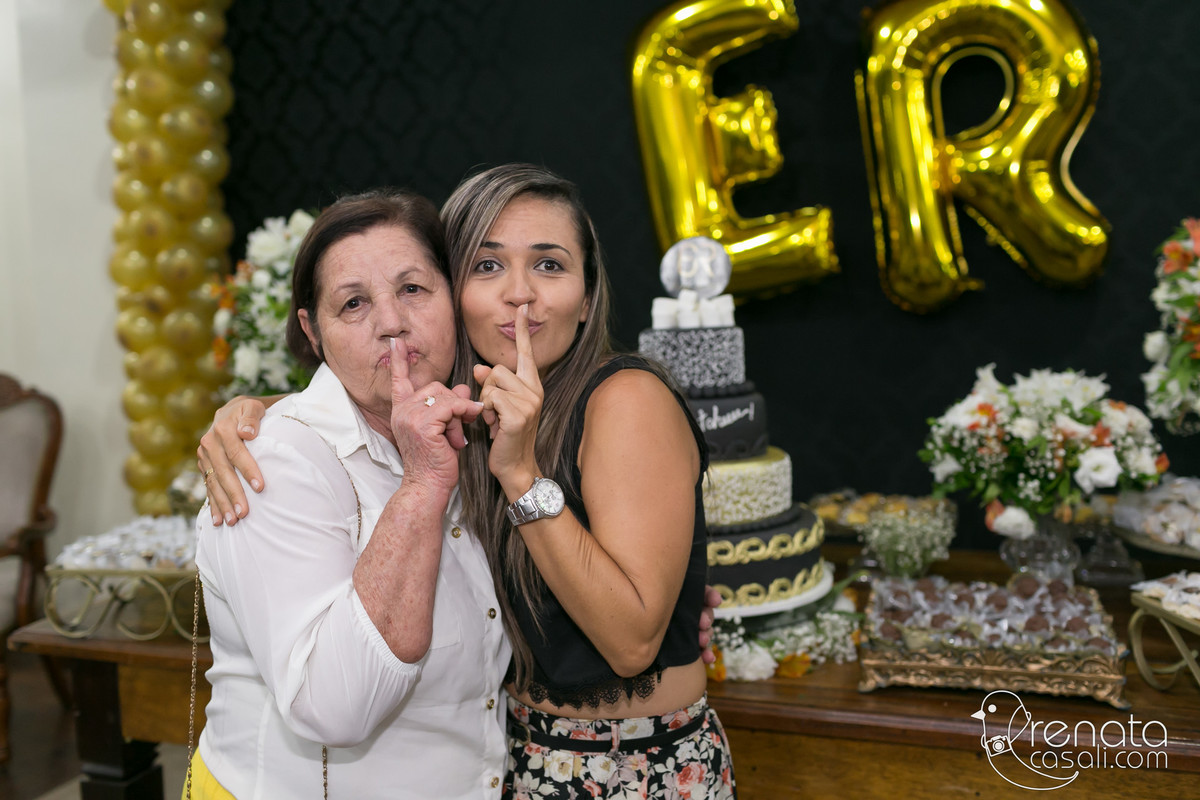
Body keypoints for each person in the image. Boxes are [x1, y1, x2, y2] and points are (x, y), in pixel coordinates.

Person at [201, 165, 734, 798]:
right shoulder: (468, 423)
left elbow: (632, 642)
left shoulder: (621, 400)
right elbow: (358, 399)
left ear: (588, 296)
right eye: (487, 266)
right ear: (459, 295)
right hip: (521, 762)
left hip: (631, 767)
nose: (520, 294)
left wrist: (521, 475)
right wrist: (260, 414)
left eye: (550, 265)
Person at [190, 189, 512, 799]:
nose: (391, 322)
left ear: (453, 298)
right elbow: (332, 707)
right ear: (313, 331)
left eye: (413, 288)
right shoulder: (274, 461)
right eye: (353, 303)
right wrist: (422, 485)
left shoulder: (472, 429)